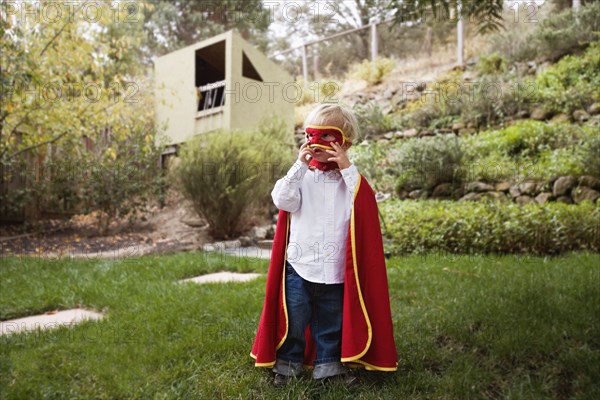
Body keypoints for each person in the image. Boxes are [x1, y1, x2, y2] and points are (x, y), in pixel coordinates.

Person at [250, 103, 397, 386]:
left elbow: (364, 203)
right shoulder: (303, 178)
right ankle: (287, 366)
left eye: (327, 136)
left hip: (335, 270)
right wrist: (299, 164)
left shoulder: (350, 182)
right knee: (295, 319)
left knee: (330, 322)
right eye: (311, 135)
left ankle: (328, 369)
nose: (316, 143)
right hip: (300, 266)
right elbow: (282, 199)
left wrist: (346, 167)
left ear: (345, 142)